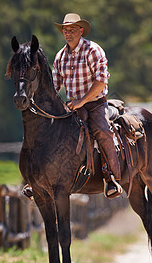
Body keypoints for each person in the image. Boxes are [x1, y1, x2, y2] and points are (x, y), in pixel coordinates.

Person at [52, 13, 123, 198]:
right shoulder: (60, 57)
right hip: (73, 107)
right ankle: (43, 177)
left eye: (72, 30)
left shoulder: (93, 50)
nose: (68, 33)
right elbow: (54, 86)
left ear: (81, 30)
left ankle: (112, 177)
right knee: (50, 132)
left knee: (102, 130)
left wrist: (81, 102)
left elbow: (101, 81)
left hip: (94, 104)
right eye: (65, 30)